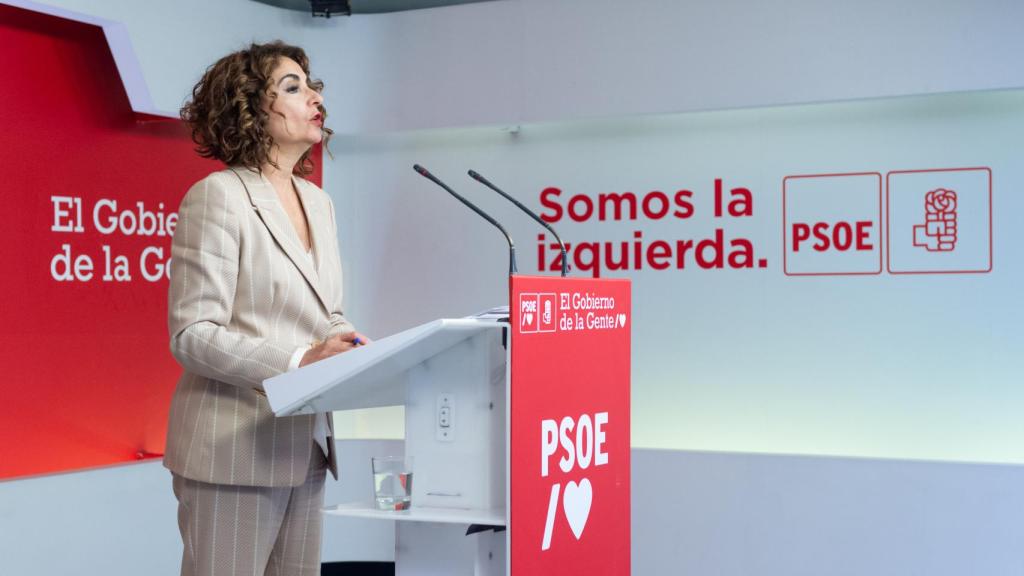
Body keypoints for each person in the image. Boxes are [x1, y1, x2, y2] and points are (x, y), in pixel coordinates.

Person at [164, 41, 367, 576]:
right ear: (251, 106)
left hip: (308, 450)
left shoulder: (319, 201)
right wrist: (302, 362)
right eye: (294, 86)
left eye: (313, 84)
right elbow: (193, 332)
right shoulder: (219, 196)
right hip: (233, 449)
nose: (315, 97)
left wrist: (350, 345)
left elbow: (327, 312)